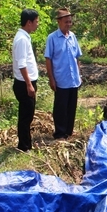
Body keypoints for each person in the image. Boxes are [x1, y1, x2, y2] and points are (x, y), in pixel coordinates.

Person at [44, 8, 82, 140]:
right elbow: (48, 59)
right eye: (66, 22)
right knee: (60, 108)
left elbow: (77, 57)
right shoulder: (52, 38)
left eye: (70, 22)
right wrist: (51, 79)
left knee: (71, 107)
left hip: (73, 79)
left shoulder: (72, 37)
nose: (69, 24)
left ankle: (68, 132)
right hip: (61, 79)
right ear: (59, 22)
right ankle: (60, 133)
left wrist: (79, 75)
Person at [12, 8, 40, 152]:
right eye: (36, 21)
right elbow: (22, 64)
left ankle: (26, 143)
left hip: (26, 82)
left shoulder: (24, 37)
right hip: (24, 83)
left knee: (27, 115)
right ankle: (24, 146)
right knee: (25, 117)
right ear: (28, 22)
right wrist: (29, 85)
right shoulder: (22, 39)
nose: (37, 24)